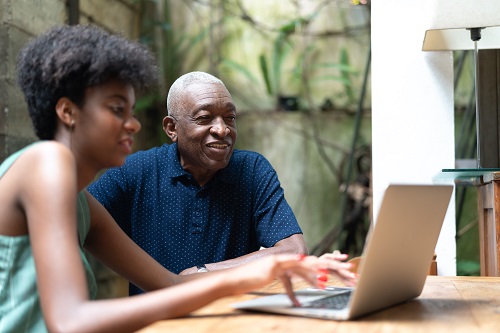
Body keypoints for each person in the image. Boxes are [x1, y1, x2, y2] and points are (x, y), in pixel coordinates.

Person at [0, 24, 356, 333]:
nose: (134, 124)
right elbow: (71, 322)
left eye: (132, 111)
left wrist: (268, 268)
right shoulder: (47, 162)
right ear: (67, 111)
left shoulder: (82, 203)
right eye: (116, 109)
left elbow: (170, 285)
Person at [88, 71, 310, 294]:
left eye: (230, 118)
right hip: (158, 320)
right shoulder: (136, 172)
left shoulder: (251, 171)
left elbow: (293, 251)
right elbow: (79, 220)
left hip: (232, 317)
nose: (222, 129)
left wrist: (201, 273)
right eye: (204, 118)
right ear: (171, 129)